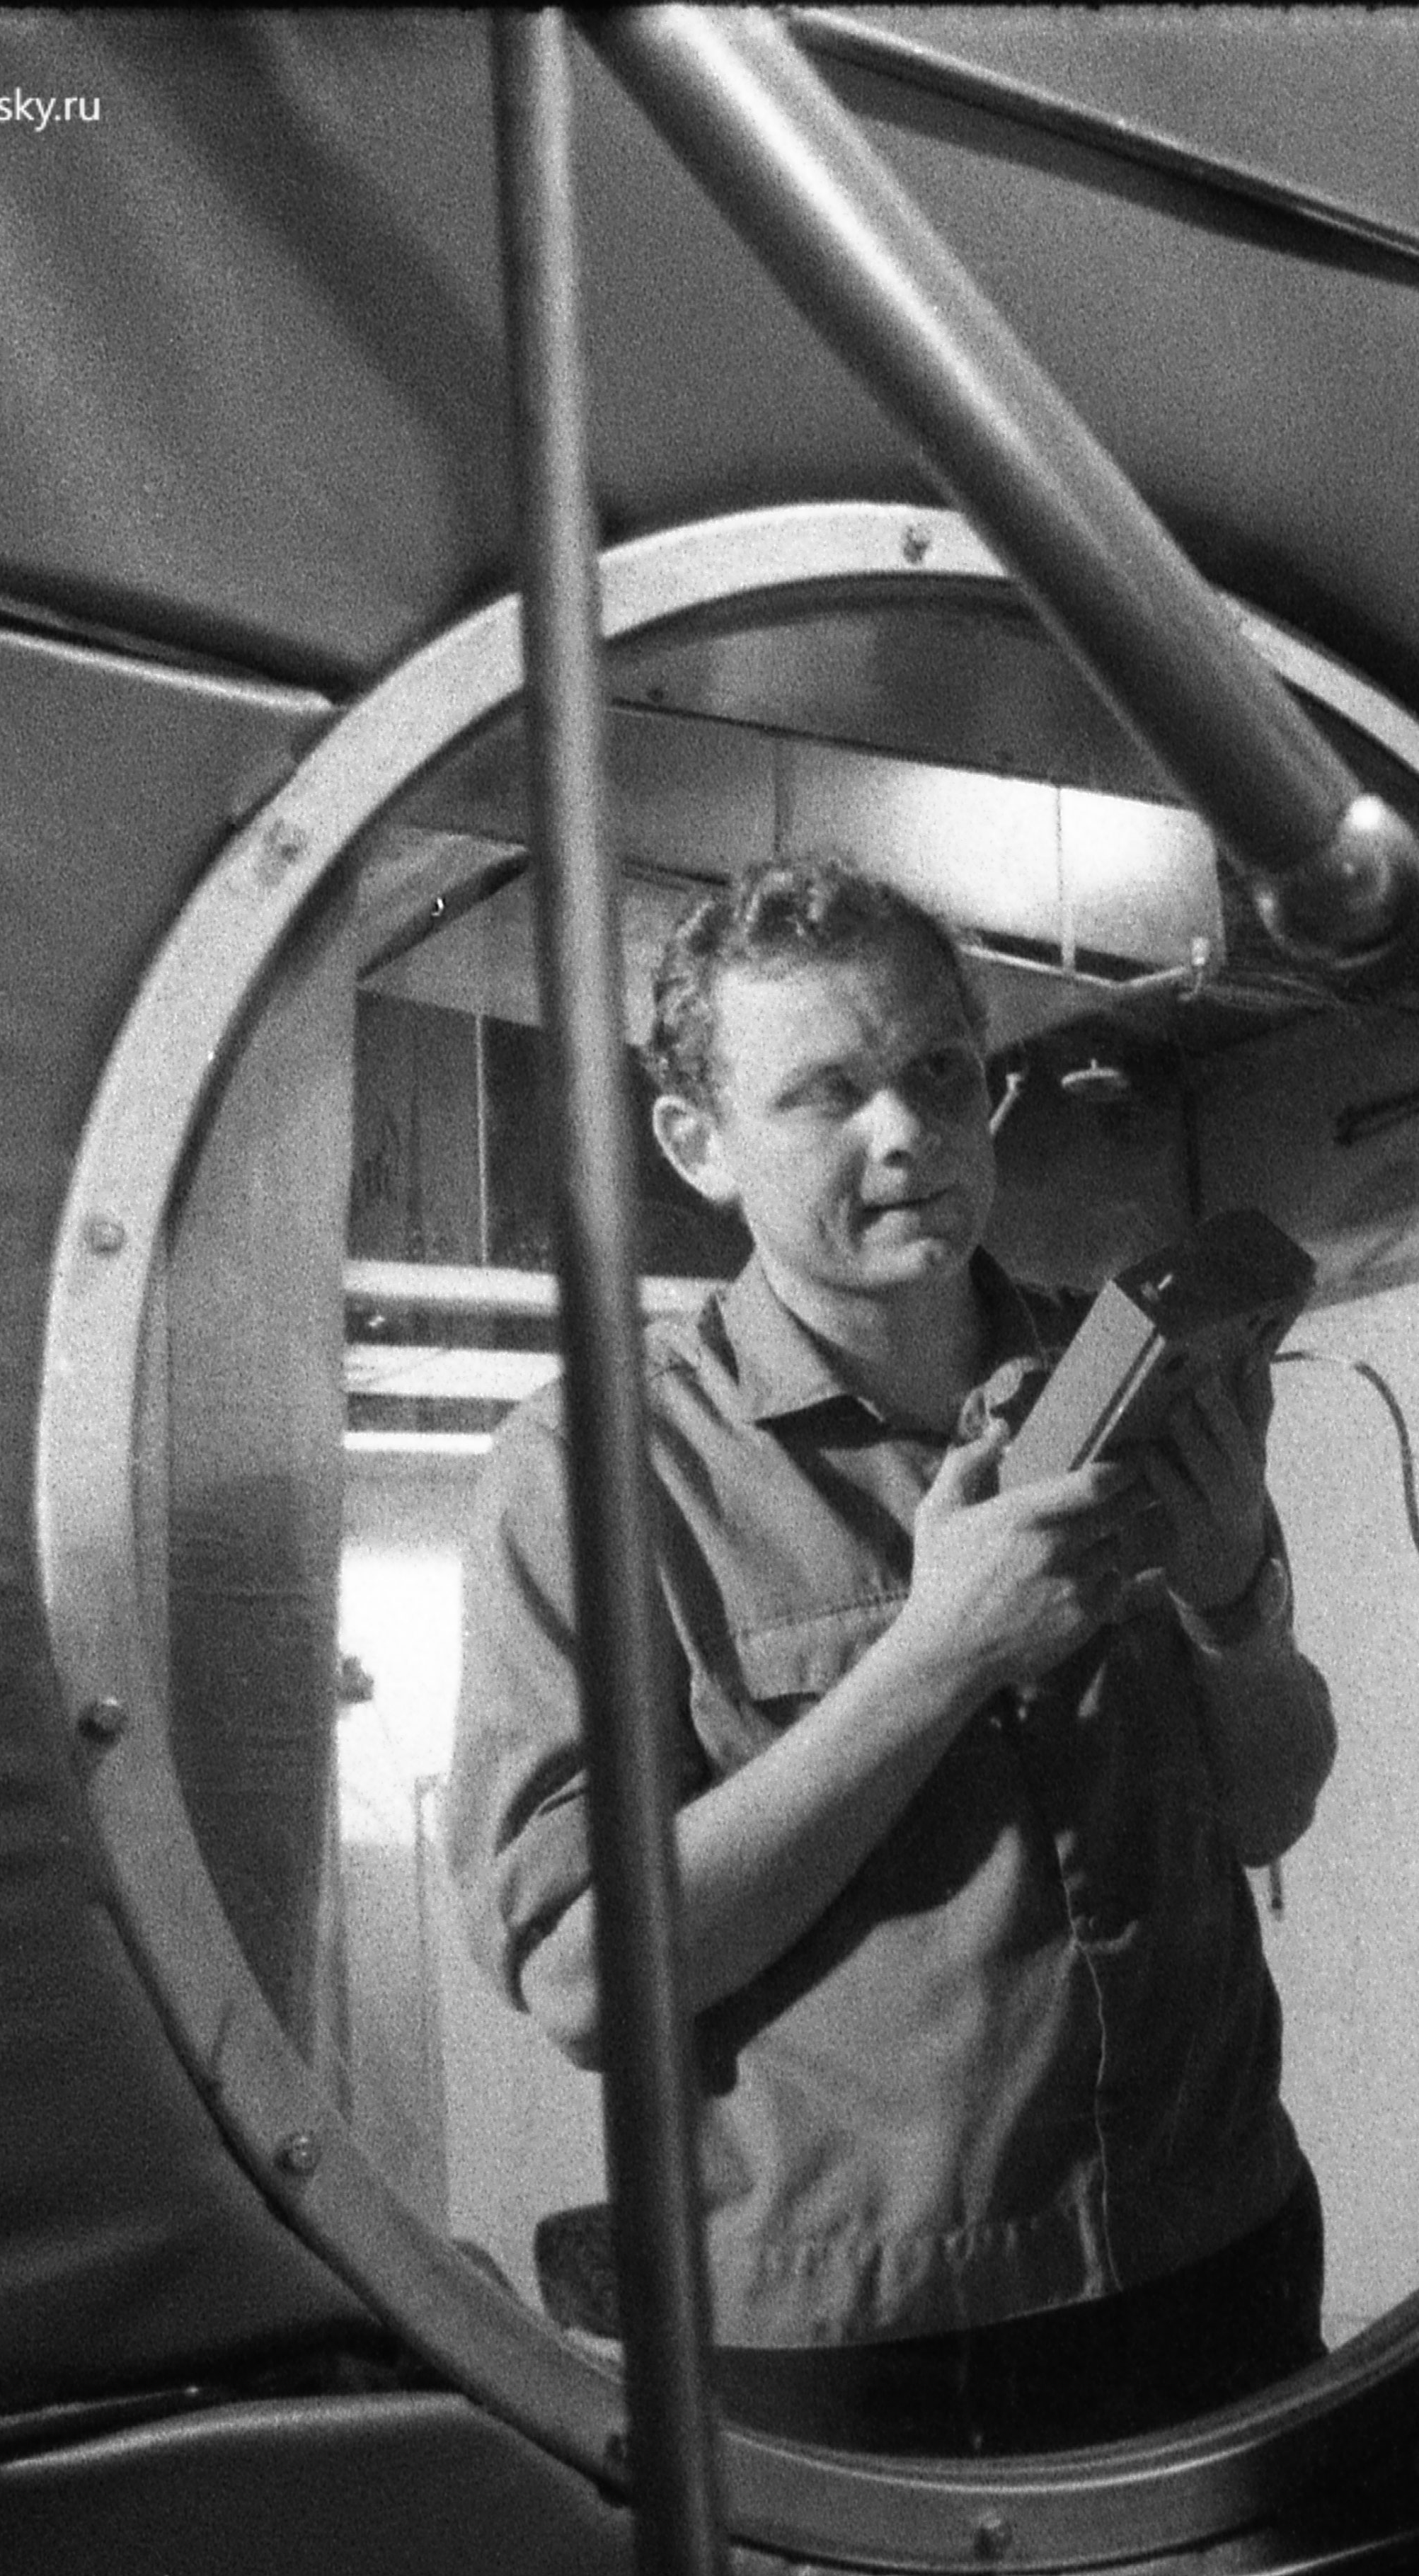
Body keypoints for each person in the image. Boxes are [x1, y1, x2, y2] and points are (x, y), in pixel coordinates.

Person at [445, 853, 1336, 2454]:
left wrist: (1228, 1598)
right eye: (825, 1093)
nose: (906, 1131)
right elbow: (584, 1982)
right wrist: (937, 1659)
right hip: (875, 2342)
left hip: (1216, 2242)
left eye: (938, 1071)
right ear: (698, 1144)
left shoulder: (1110, 1373)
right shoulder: (595, 1468)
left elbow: (1270, 1806)